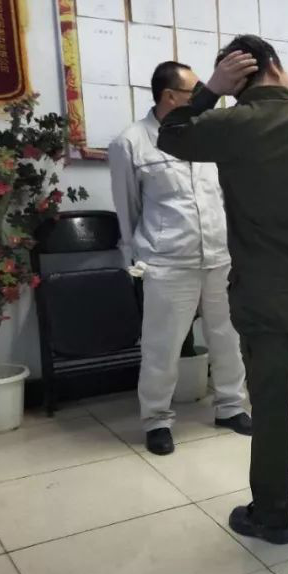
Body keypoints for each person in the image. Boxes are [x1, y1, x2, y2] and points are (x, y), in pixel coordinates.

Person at [157, 35, 288, 545]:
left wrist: (210, 91)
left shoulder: (230, 125)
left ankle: (273, 516)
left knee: (271, 406)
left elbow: (171, 134)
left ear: (236, 81)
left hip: (260, 294)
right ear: (274, 65)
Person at [109, 61, 250, 457]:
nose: (204, 97)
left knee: (227, 337)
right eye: (195, 92)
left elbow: (223, 195)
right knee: (162, 346)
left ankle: (231, 406)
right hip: (167, 259)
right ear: (170, 96)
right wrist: (137, 257)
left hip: (219, 254)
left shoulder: (209, 136)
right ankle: (156, 419)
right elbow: (128, 209)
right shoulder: (131, 142)